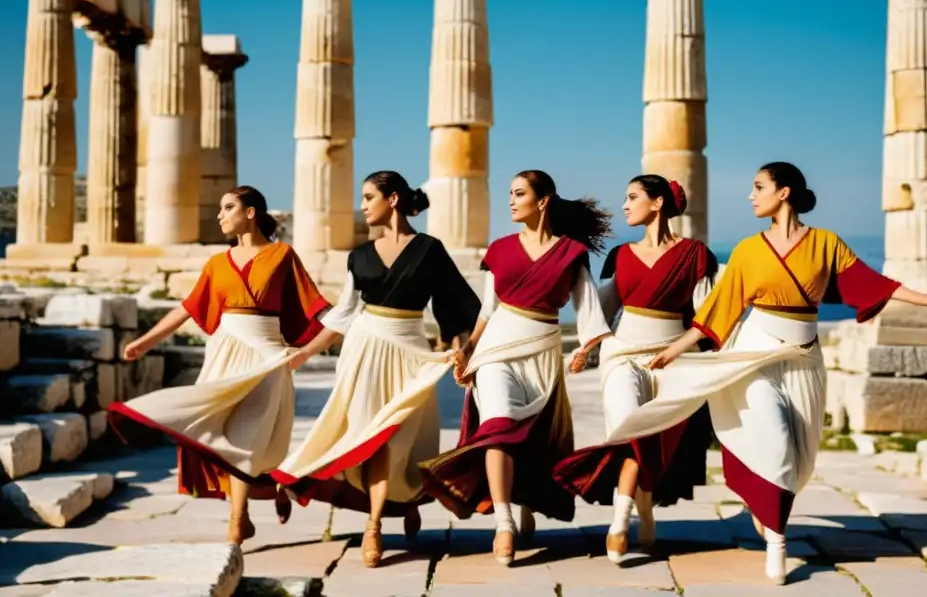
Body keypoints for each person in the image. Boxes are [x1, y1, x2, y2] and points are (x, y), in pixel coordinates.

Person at [603, 162, 927, 585]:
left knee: (797, 457)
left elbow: (871, 282)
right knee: (776, 438)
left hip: (804, 358)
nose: (750, 196)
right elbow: (718, 310)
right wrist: (676, 349)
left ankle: (765, 511)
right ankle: (777, 544)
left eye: (758, 187)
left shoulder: (826, 243)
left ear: (784, 192)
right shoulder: (749, 250)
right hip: (755, 354)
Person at [271, 171, 481, 568]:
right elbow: (342, 315)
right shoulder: (359, 255)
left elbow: (458, 307)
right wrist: (301, 355)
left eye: (369, 197)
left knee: (400, 439)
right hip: (365, 351)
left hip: (410, 354)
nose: (363, 205)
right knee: (370, 437)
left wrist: (465, 353)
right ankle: (370, 521)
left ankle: (397, 507)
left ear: (394, 199)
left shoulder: (430, 249)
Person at [108, 186, 330, 545]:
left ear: (251, 212)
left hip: (267, 357)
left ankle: (243, 515)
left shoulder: (282, 255)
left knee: (247, 439)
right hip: (225, 352)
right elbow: (188, 307)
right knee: (215, 434)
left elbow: (317, 308)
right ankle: (257, 500)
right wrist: (146, 340)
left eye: (229, 207)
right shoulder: (216, 263)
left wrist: (315, 347)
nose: (220, 215)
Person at [418, 170, 614, 566]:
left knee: (530, 438)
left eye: (519, 193)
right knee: (499, 427)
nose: (510, 200)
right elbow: (488, 310)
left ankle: (523, 500)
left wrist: (588, 348)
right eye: (509, 193)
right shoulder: (500, 248)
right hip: (496, 350)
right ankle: (503, 522)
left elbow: (588, 306)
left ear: (542, 201)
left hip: (542, 352)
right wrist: (469, 350)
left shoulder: (571, 252)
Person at [553, 174, 719, 564]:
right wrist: (586, 346)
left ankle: (644, 510)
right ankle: (620, 521)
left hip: (673, 358)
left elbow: (707, 312)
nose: (625, 206)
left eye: (632, 197)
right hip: (623, 355)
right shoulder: (619, 254)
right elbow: (604, 308)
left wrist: (683, 348)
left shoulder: (696, 254)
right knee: (630, 431)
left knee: (655, 446)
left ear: (657, 203)